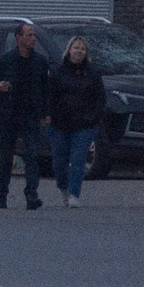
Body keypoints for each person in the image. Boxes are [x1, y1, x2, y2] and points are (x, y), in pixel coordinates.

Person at [0, 21, 51, 211]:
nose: (33, 39)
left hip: (31, 114)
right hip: (10, 114)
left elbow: (45, 89)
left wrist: (45, 114)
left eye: (33, 35)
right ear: (18, 38)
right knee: (7, 156)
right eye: (29, 35)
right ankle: (2, 194)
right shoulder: (5, 60)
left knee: (31, 155)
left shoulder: (40, 61)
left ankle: (31, 195)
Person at [46, 34, 107, 209]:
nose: (78, 51)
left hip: (85, 124)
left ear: (86, 52)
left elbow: (100, 99)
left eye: (82, 48)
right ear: (69, 50)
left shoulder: (93, 73)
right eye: (76, 47)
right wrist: (48, 115)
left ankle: (74, 193)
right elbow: (49, 95)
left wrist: (94, 117)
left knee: (78, 160)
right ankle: (63, 187)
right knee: (59, 161)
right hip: (59, 123)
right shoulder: (57, 71)